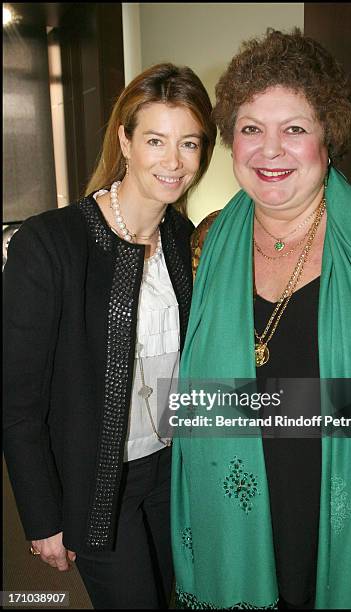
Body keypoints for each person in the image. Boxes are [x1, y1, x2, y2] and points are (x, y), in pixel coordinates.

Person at [171, 29, 351, 609]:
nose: (270, 150)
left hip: (342, 498)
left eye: (294, 129)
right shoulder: (204, 244)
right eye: (251, 128)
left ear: (329, 137)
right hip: (234, 499)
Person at [3, 62, 216, 609]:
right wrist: (43, 515)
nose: (173, 161)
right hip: (97, 483)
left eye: (189, 143)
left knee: (176, 595)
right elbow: (17, 400)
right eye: (155, 140)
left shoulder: (182, 239)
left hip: (175, 473)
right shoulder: (50, 244)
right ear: (124, 140)